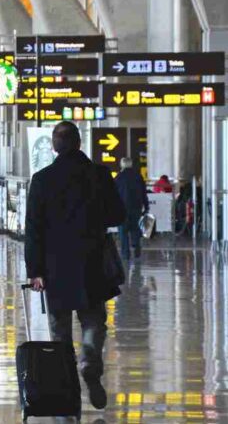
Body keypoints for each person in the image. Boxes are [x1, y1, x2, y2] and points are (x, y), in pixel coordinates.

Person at [26, 121, 126, 411]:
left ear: (55, 147)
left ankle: (67, 385)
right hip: (92, 261)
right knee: (94, 320)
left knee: (59, 329)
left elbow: (33, 229)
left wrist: (35, 271)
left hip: (54, 266)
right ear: (80, 143)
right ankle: (90, 361)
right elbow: (118, 215)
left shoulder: (42, 179)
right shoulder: (99, 174)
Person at [115, 157, 149, 258]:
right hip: (136, 208)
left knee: (123, 232)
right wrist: (146, 206)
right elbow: (144, 193)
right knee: (136, 229)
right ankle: (137, 251)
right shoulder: (138, 176)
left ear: (122, 165)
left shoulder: (118, 177)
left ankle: (126, 254)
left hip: (122, 209)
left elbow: (114, 194)